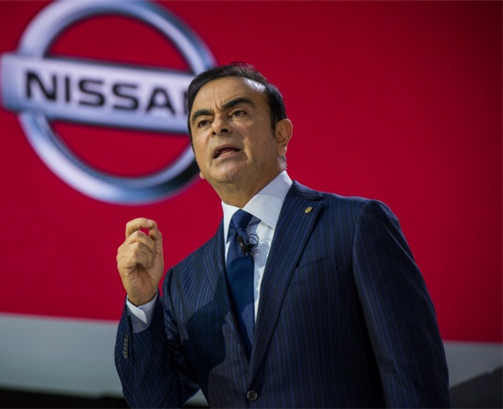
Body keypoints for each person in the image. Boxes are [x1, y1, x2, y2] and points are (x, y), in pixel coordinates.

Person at [114, 62, 449, 408]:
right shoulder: (183, 282)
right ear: (197, 160)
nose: (218, 127)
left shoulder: (354, 225)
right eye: (203, 122)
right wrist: (142, 302)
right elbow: (152, 400)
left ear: (281, 135)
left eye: (237, 112)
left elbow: (412, 374)